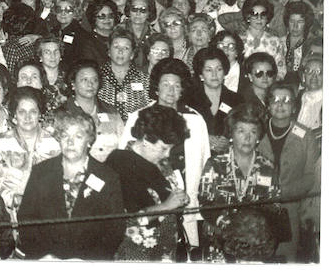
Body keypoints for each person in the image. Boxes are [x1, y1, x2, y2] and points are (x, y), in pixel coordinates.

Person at [120, 57, 210, 249]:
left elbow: (204, 161)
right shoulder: (138, 116)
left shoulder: (194, 119)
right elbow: (126, 156)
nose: (171, 90)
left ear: (182, 90)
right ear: (156, 87)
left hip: (186, 200)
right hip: (147, 204)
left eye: (176, 86)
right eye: (166, 84)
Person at [16, 109, 125, 260]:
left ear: (89, 140)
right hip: (45, 261)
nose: (70, 142)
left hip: (88, 262)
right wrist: (44, 256)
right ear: (59, 139)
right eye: (65, 135)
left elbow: (115, 229)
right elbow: (26, 219)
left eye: (78, 136)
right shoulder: (41, 172)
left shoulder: (107, 177)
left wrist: (85, 261)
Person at [198, 102, 281, 262]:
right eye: (241, 131)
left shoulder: (267, 166)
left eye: (253, 132)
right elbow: (204, 202)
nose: (247, 137)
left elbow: (274, 205)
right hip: (219, 239)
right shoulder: (215, 164)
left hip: (255, 243)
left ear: (258, 137)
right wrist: (228, 225)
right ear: (231, 134)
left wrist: (251, 226)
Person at [107, 105, 192, 261]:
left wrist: (180, 199)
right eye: (164, 148)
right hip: (136, 254)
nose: (167, 154)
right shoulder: (119, 163)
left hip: (165, 249)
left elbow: (169, 196)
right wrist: (166, 206)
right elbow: (127, 219)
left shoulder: (161, 161)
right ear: (146, 139)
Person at [255, 82, 319, 261]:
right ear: (268, 105)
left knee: (285, 259)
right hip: (256, 208)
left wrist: (282, 193)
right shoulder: (255, 131)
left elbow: (311, 177)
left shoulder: (306, 136)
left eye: (286, 100)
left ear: (294, 107)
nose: (280, 104)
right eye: (275, 100)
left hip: (291, 210)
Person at [0, 87, 60, 213]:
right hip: (10, 210)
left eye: (33, 112)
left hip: (46, 209)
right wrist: (12, 198)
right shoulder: (0, 143)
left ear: (40, 114)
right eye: (22, 112)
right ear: (14, 115)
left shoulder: (53, 143)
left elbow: (59, 180)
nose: (27, 117)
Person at [63, 60, 125, 162]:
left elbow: (122, 145)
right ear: (73, 84)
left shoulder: (111, 111)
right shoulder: (62, 113)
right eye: (84, 80)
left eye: (94, 80)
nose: (90, 84)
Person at [187, 47, 242, 156]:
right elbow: (182, 129)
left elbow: (243, 129)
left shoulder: (237, 100)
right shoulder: (188, 99)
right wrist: (204, 138)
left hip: (228, 156)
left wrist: (230, 141)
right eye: (208, 70)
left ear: (225, 72)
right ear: (201, 75)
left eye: (219, 69)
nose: (214, 74)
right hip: (195, 155)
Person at [97, 27, 150, 121]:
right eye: (116, 47)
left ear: (132, 54)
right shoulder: (97, 77)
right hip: (104, 130)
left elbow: (150, 109)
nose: (120, 51)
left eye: (126, 48)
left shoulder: (144, 80)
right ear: (109, 51)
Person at [240, 0, 286, 77]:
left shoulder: (275, 41)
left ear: (267, 18)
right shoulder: (239, 40)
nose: (259, 18)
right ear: (248, 17)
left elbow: (281, 70)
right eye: (254, 14)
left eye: (263, 14)